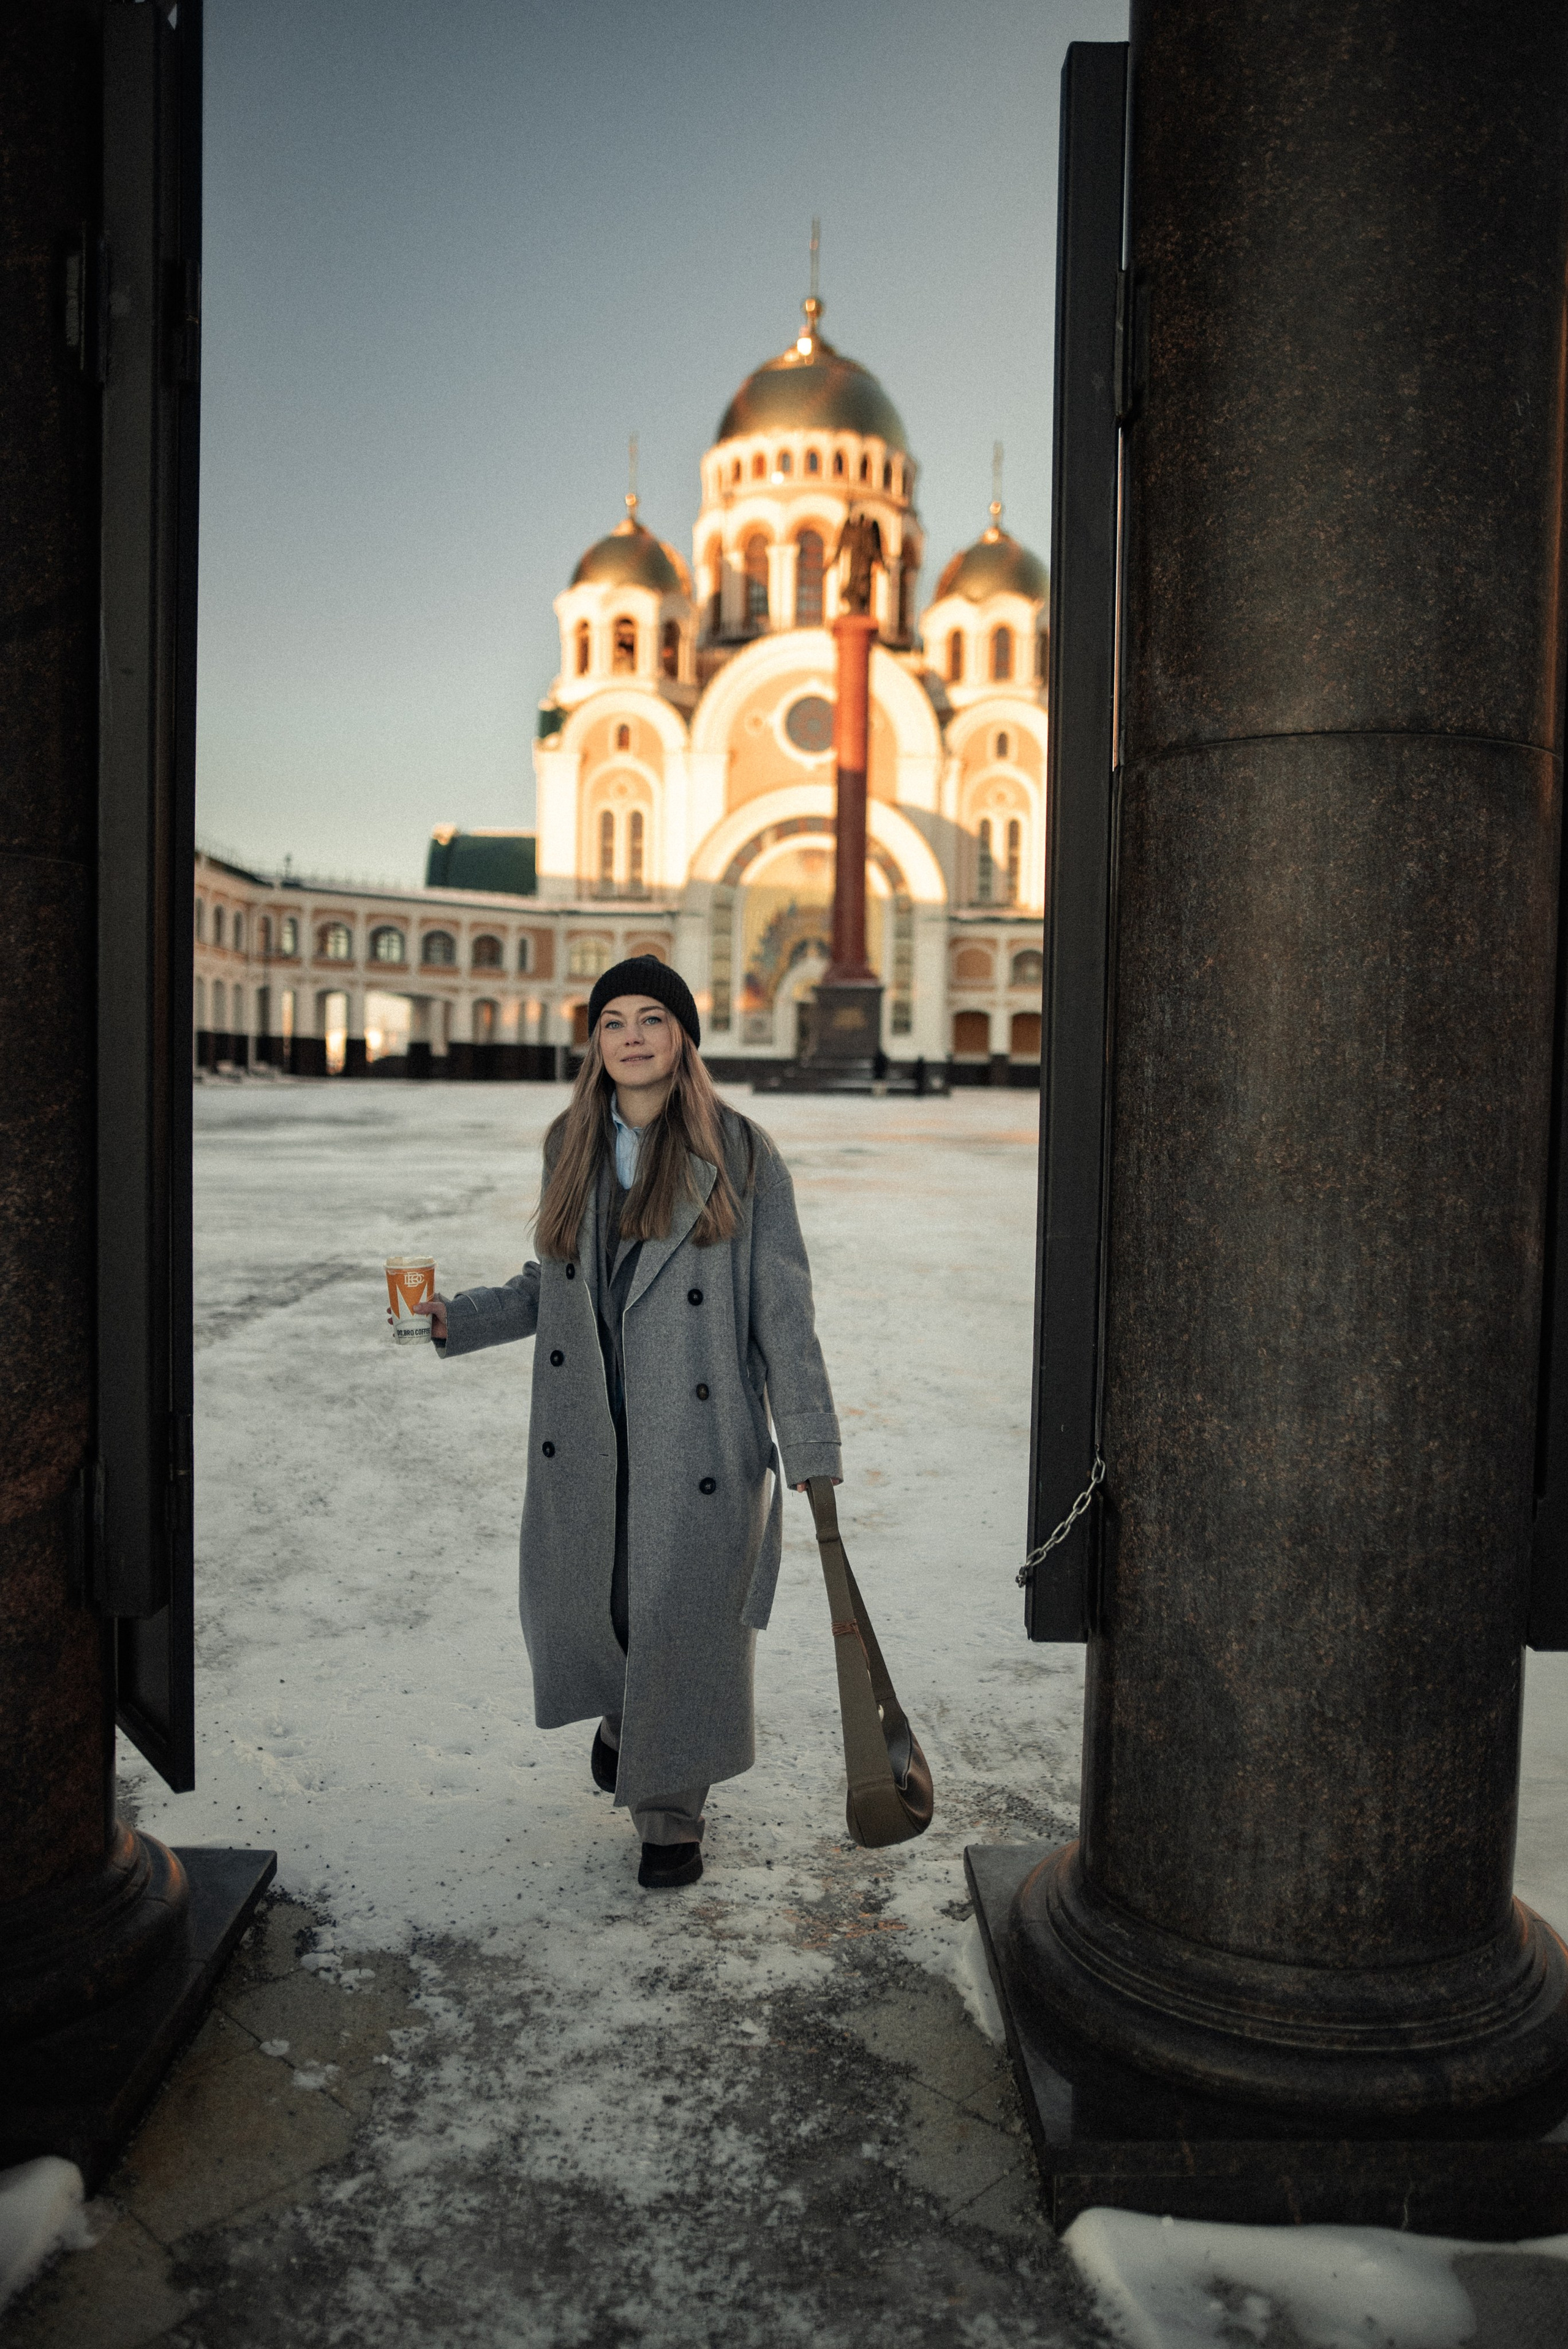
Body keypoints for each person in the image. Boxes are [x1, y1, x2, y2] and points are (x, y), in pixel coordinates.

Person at [415, 957, 842, 1892]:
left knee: (684, 1623)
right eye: (615, 1021)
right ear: (596, 1042)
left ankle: (669, 1814)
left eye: (654, 1018)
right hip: (591, 1430)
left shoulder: (742, 1150)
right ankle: (622, 1717)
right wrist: (464, 1317)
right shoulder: (567, 1142)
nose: (634, 1037)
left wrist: (809, 1444)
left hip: (697, 1437)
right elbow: (553, 1282)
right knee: (593, 1609)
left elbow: (783, 1310)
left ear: (683, 1037)